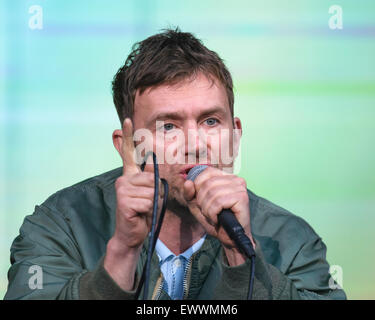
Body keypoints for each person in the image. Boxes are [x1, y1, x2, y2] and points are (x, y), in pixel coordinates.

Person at [4, 28, 346, 300]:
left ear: (235, 135)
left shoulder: (291, 240)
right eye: (168, 126)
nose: (196, 145)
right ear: (128, 146)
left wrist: (243, 260)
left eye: (211, 121)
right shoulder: (61, 224)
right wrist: (121, 255)